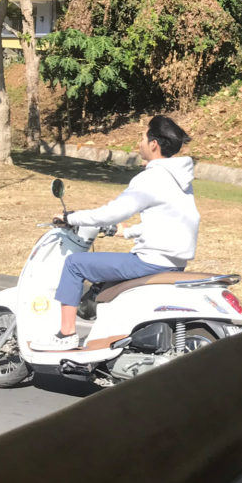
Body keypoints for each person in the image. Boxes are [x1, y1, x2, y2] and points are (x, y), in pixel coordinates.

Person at [40, 115, 200, 351]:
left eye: (143, 137)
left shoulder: (152, 178)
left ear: (154, 144)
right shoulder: (181, 180)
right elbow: (171, 220)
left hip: (150, 262)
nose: (140, 143)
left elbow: (112, 213)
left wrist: (70, 217)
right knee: (103, 280)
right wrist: (127, 233)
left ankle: (66, 335)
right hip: (174, 262)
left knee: (75, 264)